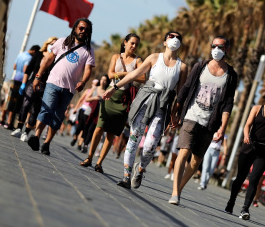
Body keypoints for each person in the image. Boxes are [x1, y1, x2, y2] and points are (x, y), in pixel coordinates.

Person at [102, 31, 188, 188]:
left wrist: (176, 114)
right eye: (171, 36)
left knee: (150, 144)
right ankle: (126, 176)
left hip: (163, 105)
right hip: (145, 99)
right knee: (134, 137)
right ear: (164, 42)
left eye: (178, 38)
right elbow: (135, 74)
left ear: (180, 44)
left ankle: (140, 169)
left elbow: (180, 94)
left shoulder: (182, 66)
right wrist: (114, 87)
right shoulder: (154, 57)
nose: (174, 39)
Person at [169, 36, 238, 205]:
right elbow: (185, 88)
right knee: (184, 151)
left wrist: (222, 127)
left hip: (210, 123)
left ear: (227, 49)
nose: (216, 49)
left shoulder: (231, 75)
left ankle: (179, 188)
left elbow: (228, 103)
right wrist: (175, 111)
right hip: (191, 116)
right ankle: (175, 193)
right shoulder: (200, 66)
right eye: (213, 46)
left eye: (220, 47)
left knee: (196, 160)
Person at [27, 18, 95, 155]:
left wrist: (83, 81)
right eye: (81, 28)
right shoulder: (62, 42)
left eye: (86, 30)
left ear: (89, 33)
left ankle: (46, 144)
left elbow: (88, 70)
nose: (83, 31)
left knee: (57, 117)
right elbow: (48, 59)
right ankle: (36, 137)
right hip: (52, 82)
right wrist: (38, 76)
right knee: (47, 110)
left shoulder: (88, 50)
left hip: (69, 89)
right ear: (75, 28)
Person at [80, 34, 145, 173]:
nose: (134, 46)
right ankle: (89, 158)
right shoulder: (116, 57)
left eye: (136, 44)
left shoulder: (138, 60)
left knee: (111, 133)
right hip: (109, 95)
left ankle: (99, 163)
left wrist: (121, 74)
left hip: (123, 99)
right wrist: (127, 74)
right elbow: (110, 75)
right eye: (132, 43)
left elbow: (142, 77)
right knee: (99, 127)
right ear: (125, 42)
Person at [224, 82, 265, 220]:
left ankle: (245, 209)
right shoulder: (257, 108)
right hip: (249, 146)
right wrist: (246, 135)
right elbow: (247, 125)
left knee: (254, 179)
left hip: (264, 151)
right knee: (240, 177)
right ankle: (231, 202)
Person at [11, 38, 58, 141]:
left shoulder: (56, 59)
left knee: (36, 109)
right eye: (51, 44)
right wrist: (23, 84)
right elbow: (28, 70)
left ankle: (26, 132)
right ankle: (19, 128)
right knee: (26, 104)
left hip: (45, 86)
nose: (52, 46)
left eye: (55, 44)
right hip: (32, 83)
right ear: (47, 44)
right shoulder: (38, 54)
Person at [4, 45, 40, 129]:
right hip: (22, 81)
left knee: (11, 101)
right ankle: (13, 123)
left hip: (15, 78)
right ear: (34, 51)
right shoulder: (28, 58)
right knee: (18, 103)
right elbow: (25, 70)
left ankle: (8, 122)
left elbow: (14, 67)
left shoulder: (21, 55)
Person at [78, 76, 108, 153]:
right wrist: (94, 98)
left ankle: (85, 145)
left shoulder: (107, 91)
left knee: (91, 129)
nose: (103, 81)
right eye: (102, 79)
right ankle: (82, 141)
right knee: (86, 128)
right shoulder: (95, 88)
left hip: (98, 113)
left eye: (105, 80)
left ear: (107, 82)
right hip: (89, 111)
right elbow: (87, 99)